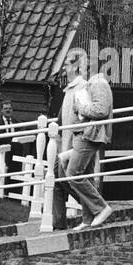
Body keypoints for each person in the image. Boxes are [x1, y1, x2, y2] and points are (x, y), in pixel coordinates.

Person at [52, 53, 114, 231]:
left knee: (73, 173)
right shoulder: (91, 84)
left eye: (85, 66)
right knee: (79, 173)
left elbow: (101, 110)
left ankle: (101, 208)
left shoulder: (98, 83)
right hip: (84, 134)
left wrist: (80, 108)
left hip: (88, 135)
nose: (82, 70)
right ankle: (87, 218)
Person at [0, 99, 32, 198]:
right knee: (6, 170)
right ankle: (6, 193)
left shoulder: (16, 121)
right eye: (5, 109)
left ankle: (15, 193)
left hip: (16, 150)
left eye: (9, 108)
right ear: (1, 110)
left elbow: (22, 130)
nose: (8, 110)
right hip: (4, 150)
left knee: (16, 170)